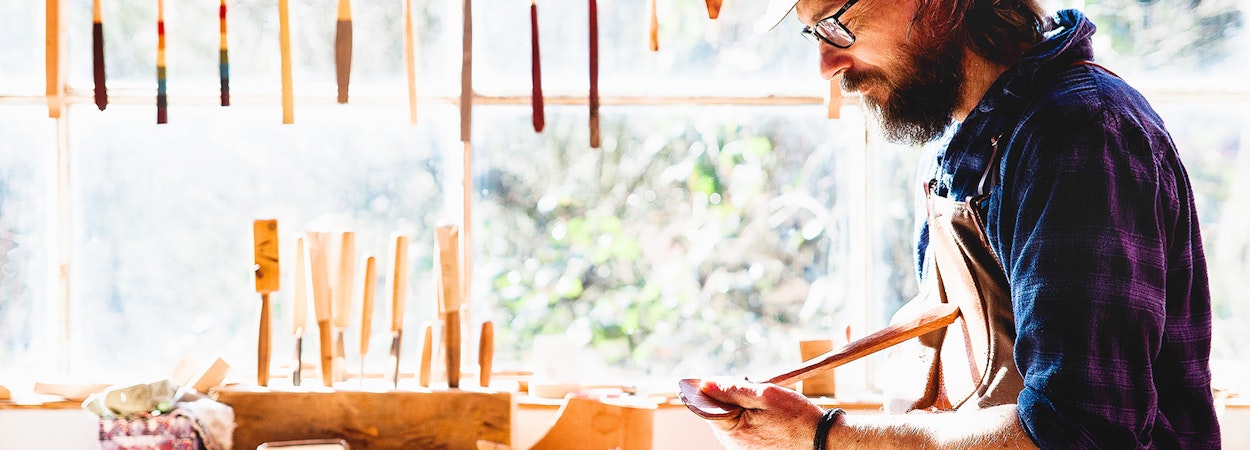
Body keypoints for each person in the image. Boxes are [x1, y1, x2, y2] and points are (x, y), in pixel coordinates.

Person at [688, 0, 1222, 448]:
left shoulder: (1080, 135)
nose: (826, 63)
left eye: (836, 23)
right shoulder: (961, 140)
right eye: (814, 35)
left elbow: (1076, 431)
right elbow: (961, 346)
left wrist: (824, 434)